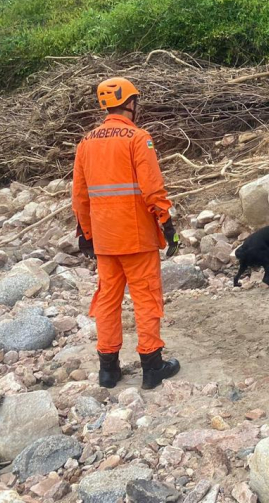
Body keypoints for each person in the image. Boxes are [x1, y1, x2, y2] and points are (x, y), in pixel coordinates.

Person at [72, 77, 182, 390]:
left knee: (108, 300)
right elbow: (152, 189)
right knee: (146, 298)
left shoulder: (86, 142)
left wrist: (86, 234)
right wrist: (168, 224)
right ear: (130, 103)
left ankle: (108, 370)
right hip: (136, 238)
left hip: (105, 240)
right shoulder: (138, 138)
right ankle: (152, 367)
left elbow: (80, 196)